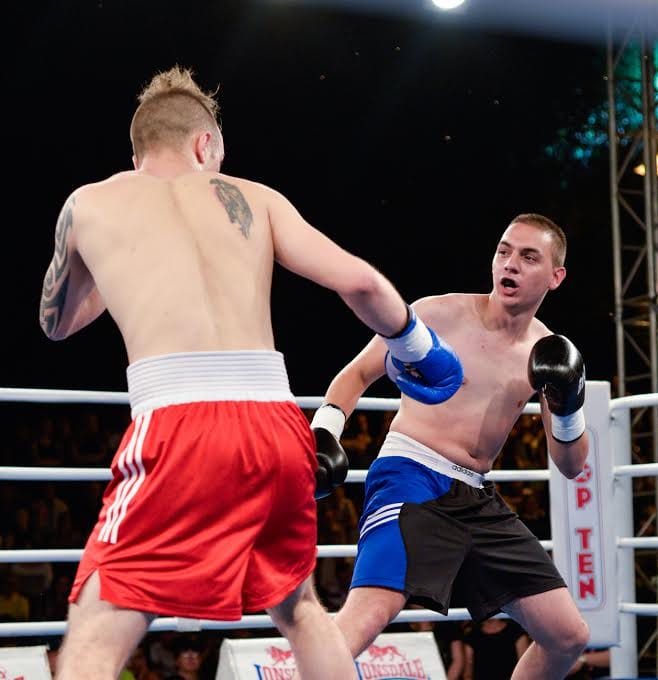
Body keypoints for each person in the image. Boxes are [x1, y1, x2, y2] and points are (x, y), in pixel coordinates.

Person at [38, 65, 457, 680]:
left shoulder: (89, 203)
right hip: (277, 427)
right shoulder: (256, 198)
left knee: (99, 623)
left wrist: (115, 264)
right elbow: (363, 282)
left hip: (178, 428)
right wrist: (419, 347)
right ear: (205, 144)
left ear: (135, 155)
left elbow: (56, 323)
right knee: (300, 607)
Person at [306, 214, 591, 679]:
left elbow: (572, 465)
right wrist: (324, 432)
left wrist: (567, 407)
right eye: (504, 251)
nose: (510, 264)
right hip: (409, 475)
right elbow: (356, 373)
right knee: (368, 615)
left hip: (475, 494)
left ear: (555, 276)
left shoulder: (546, 352)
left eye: (528, 257)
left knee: (567, 636)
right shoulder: (438, 315)